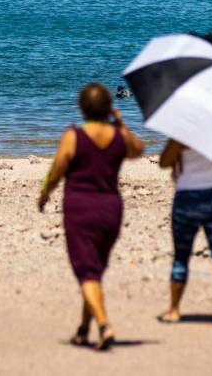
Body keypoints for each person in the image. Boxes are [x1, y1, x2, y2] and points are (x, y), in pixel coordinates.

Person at [38, 83, 144, 350]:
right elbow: (139, 150)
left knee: (87, 270)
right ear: (109, 107)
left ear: (82, 108)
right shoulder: (119, 137)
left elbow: (57, 169)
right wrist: (121, 124)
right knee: (94, 269)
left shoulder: (74, 135)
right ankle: (84, 330)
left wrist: (44, 193)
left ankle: (104, 326)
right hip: (111, 209)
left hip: (80, 208)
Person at [156, 139, 212, 327]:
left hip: (188, 197)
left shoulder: (182, 134)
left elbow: (163, 162)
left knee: (181, 256)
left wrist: (177, 146)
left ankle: (174, 310)